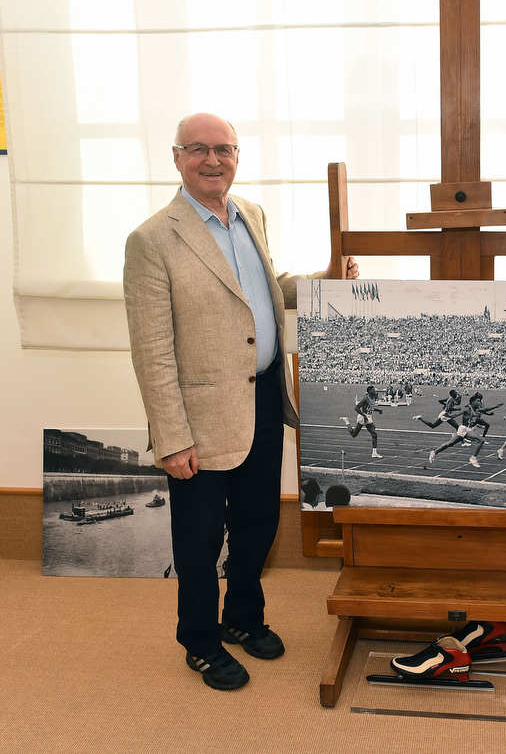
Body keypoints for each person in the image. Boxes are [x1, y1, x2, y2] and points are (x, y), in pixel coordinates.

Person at [123, 113, 358, 691]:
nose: (212, 160)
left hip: (262, 405)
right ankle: (200, 642)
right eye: (198, 150)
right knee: (199, 541)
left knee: (256, 526)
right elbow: (151, 351)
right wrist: (172, 438)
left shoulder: (250, 215)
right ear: (176, 158)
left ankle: (243, 619)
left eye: (223, 149)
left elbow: (268, 291)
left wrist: (326, 279)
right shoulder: (152, 240)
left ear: (236, 156)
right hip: (199, 424)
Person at [340, 385, 384, 459]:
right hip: (363, 417)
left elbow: (371, 408)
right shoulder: (365, 399)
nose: (375, 391)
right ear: (369, 391)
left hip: (369, 417)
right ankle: (347, 421)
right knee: (354, 434)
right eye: (373, 390)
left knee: (374, 434)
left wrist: (378, 410)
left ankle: (374, 453)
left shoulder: (373, 397)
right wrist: (364, 416)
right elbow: (356, 408)